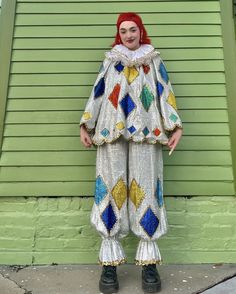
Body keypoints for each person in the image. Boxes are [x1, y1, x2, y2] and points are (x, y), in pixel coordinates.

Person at [80, 12, 183, 294]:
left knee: (146, 190)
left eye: (133, 30)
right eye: (123, 31)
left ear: (141, 31)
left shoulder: (153, 60)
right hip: (109, 132)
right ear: (119, 34)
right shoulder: (111, 61)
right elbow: (98, 92)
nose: (128, 35)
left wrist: (175, 126)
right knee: (111, 191)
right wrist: (86, 124)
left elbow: (165, 92)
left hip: (147, 134)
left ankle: (149, 262)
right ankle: (110, 264)